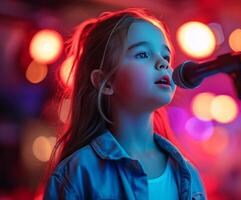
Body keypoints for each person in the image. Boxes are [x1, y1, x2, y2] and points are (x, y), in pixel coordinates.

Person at [43, 8, 206, 200]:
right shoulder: (77, 173)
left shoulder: (189, 175)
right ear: (105, 82)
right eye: (143, 54)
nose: (163, 63)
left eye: (166, 56)